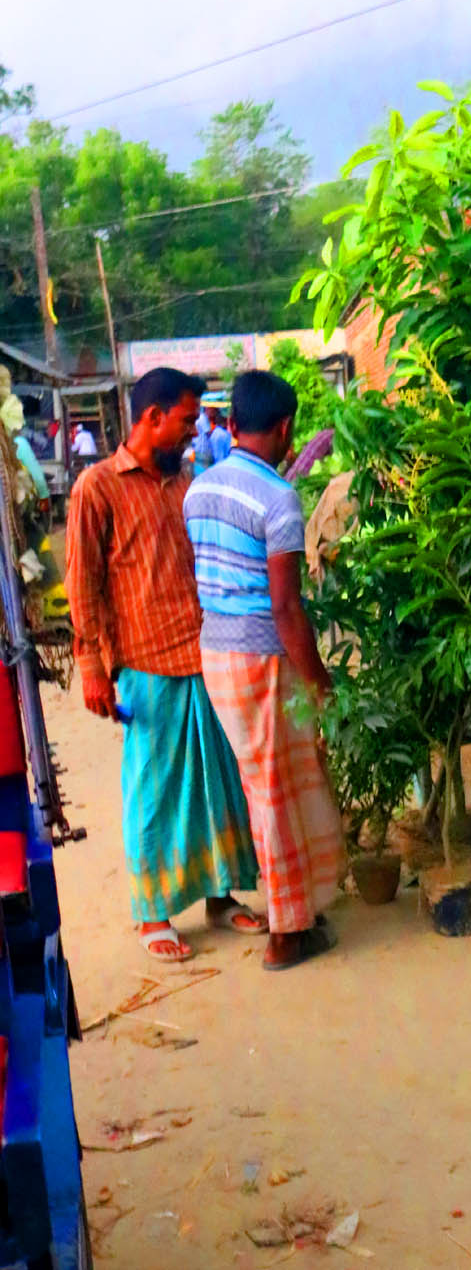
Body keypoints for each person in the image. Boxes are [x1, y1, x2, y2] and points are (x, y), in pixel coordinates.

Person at [64, 366, 265, 962]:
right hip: (144, 666)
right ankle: (153, 912)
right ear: (152, 418)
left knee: (216, 786)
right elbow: (83, 584)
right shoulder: (96, 488)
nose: (195, 430)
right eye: (186, 419)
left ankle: (220, 896)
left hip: (203, 654)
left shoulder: (186, 483)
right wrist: (92, 667)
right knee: (154, 793)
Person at [184, 370, 346, 973]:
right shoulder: (280, 498)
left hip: (218, 655)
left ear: (228, 425)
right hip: (262, 656)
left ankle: (299, 909)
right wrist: (320, 681)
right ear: (284, 429)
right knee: (277, 792)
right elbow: (285, 606)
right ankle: (284, 932)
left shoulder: (198, 488)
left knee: (274, 784)